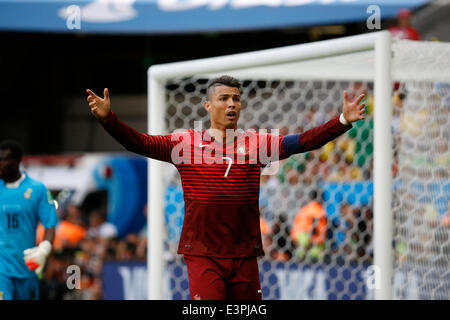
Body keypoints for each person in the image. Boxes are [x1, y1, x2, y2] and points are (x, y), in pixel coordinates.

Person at [86, 75, 366, 300]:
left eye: (236, 98)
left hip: (244, 254)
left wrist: (340, 122)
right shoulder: (184, 143)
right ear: (208, 106)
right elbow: (141, 143)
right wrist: (109, 120)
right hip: (203, 253)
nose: (232, 104)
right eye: (224, 98)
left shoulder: (257, 143)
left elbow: (302, 142)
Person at [0, 140, 58, 300]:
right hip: (1, 268)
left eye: (3, 159)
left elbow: (50, 224)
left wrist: (44, 249)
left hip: (27, 265)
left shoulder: (37, 189)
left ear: (17, 161)